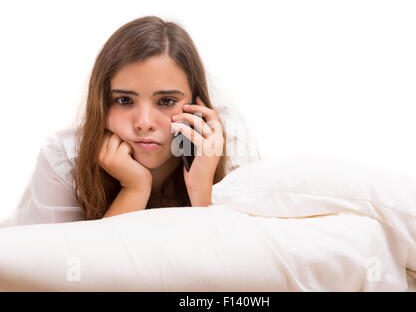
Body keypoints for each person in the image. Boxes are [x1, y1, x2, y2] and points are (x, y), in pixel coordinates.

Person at [0, 15, 261, 227]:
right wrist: (134, 189)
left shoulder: (229, 148)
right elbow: (68, 277)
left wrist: (202, 190)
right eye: (124, 101)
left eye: (166, 101)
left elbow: (228, 269)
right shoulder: (64, 158)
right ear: (101, 103)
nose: (144, 122)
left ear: (197, 104)